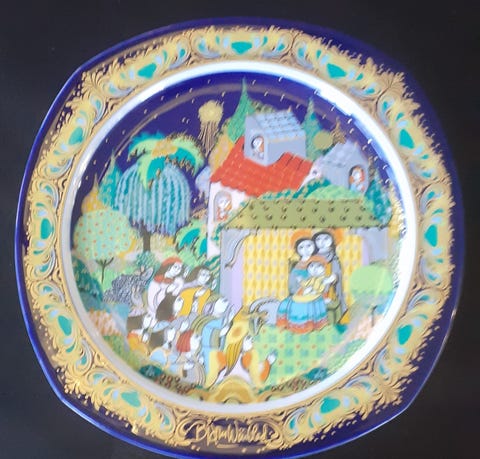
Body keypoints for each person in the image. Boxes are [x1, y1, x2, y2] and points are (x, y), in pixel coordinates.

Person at [277, 257, 335, 333]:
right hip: (308, 294)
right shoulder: (310, 279)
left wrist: (330, 279)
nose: (315, 269)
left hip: (315, 294)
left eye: (318, 266)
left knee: (304, 303)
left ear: (324, 268)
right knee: (294, 300)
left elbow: (324, 284)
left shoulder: (321, 279)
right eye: (312, 266)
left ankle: (306, 325)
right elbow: (305, 284)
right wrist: (301, 280)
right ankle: (292, 323)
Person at [223, 321, 276, 386]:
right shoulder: (245, 357)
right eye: (248, 337)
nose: (252, 340)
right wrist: (268, 362)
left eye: (251, 337)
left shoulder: (247, 355)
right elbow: (258, 376)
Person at [312, 231, 347, 320]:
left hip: (331, 289)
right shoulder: (313, 257)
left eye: (326, 239)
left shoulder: (334, 257)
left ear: (332, 241)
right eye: (318, 239)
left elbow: (336, 274)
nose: (322, 242)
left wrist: (330, 279)